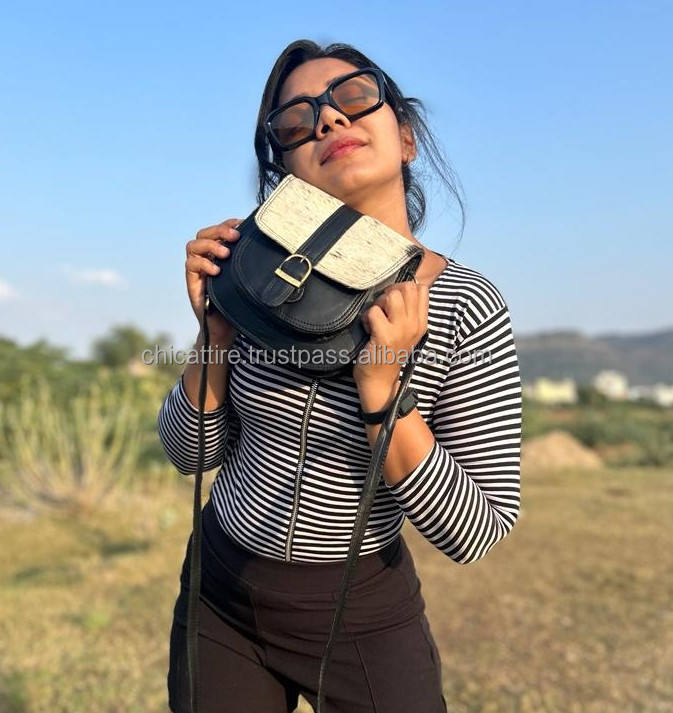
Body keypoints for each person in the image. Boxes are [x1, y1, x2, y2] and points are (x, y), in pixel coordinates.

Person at [158, 39, 522, 713]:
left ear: (406, 138)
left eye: (353, 97)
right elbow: (191, 455)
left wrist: (383, 390)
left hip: (361, 613)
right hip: (221, 588)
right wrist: (214, 336)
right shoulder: (260, 277)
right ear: (286, 169)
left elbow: (476, 530)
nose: (328, 119)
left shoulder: (464, 304)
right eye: (295, 121)